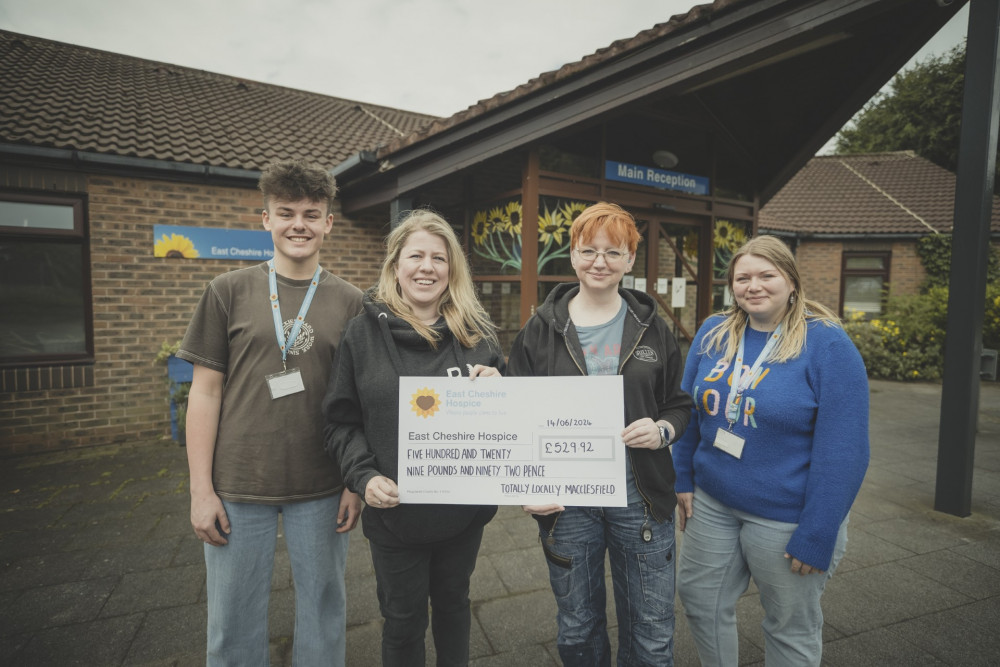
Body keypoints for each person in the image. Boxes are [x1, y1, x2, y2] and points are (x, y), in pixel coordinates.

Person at [177, 159, 363, 666]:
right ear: (266, 219)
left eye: (311, 213)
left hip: (323, 484)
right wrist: (200, 491)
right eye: (286, 213)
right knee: (232, 619)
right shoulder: (227, 291)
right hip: (238, 484)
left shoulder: (352, 302)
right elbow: (205, 393)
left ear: (328, 222)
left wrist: (354, 481)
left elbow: (360, 400)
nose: (298, 224)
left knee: (325, 611)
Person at [507, 202, 693, 666]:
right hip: (567, 499)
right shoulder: (540, 330)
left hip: (641, 493)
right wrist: (526, 485)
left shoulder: (653, 328)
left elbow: (679, 403)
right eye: (588, 250)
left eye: (614, 252)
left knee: (650, 632)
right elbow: (515, 414)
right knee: (577, 629)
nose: (599, 262)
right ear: (572, 255)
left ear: (631, 260)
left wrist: (663, 429)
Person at [673, 234, 870, 666]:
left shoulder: (828, 344)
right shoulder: (713, 331)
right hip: (712, 501)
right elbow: (686, 408)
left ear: (792, 281)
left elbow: (846, 450)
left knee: (789, 625)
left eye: (767, 275)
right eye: (743, 277)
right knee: (701, 601)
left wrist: (818, 533)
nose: (754, 286)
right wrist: (681, 477)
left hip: (786, 515)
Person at [322, 209, 505, 667]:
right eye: (416, 256)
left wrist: (500, 386)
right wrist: (363, 476)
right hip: (395, 512)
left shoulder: (477, 335)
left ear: (452, 269)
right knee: (402, 621)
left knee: (454, 607)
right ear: (396, 265)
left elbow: (505, 423)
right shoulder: (361, 335)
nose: (427, 267)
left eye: (439, 258)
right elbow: (341, 421)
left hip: (462, 513)